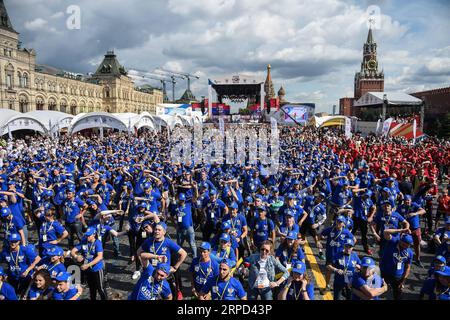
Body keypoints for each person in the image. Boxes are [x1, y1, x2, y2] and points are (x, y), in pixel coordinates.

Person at [138, 222, 187, 300]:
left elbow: (183, 253)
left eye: (159, 230)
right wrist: (144, 264)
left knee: (170, 295)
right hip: (152, 272)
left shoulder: (168, 242)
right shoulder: (149, 241)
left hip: (164, 274)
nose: (156, 231)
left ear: (164, 232)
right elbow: (139, 252)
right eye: (156, 229)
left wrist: (175, 267)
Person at [70, 227, 107, 300]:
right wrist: (76, 256)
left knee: (101, 289)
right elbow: (73, 251)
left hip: (97, 269)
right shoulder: (84, 241)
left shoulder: (97, 243)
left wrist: (88, 265)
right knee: (92, 289)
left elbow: (100, 257)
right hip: (88, 270)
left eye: (89, 236)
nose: (87, 237)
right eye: (86, 235)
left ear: (94, 235)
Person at [0, 233, 41, 298]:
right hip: (12, 276)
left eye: (15, 241)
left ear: (19, 241)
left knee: (23, 294)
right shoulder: (5, 251)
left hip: (25, 276)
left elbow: (38, 259)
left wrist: (28, 270)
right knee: (13, 293)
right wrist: (4, 273)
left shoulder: (24, 250)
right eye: (11, 241)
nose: (13, 243)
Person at [379, 232, 414, 300]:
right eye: (404, 244)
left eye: (407, 246)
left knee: (398, 293)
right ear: (400, 241)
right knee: (378, 289)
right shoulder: (392, 243)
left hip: (397, 275)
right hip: (384, 272)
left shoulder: (409, 253)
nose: (405, 247)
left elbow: (408, 267)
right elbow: (386, 232)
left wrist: (403, 280)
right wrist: (401, 229)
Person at [397, 195, 426, 267]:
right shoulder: (401, 207)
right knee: (404, 244)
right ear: (404, 201)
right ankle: (403, 258)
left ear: (411, 200)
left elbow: (423, 210)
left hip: (416, 228)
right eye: (406, 200)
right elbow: (396, 214)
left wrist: (415, 213)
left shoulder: (414, 205)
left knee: (417, 244)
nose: (407, 202)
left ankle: (417, 259)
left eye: (408, 200)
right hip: (406, 229)